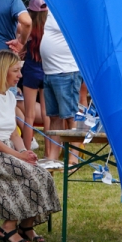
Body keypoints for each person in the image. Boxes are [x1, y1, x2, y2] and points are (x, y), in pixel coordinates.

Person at [0, 50, 62, 242]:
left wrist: (23, 152)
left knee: (42, 174)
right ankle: (7, 227)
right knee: (27, 173)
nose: (20, 75)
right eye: (16, 71)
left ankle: (26, 226)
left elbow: (13, 133)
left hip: (8, 149)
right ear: (2, 71)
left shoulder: (10, 97)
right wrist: (17, 156)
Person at [39, 11, 83, 164]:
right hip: (50, 71)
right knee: (54, 116)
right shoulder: (51, 7)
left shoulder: (71, 7)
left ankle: (73, 158)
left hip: (66, 70)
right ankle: (53, 157)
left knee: (71, 116)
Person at [19, 0, 48, 155]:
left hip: (30, 72)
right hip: (46, 71)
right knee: (47, 114)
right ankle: (49, 152)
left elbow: (21, 47)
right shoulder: (49, 28)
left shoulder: (28, 30)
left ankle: (27, 151)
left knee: (29, 115)